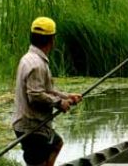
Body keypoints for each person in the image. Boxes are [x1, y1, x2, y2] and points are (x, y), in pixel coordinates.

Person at [12, 17, 82, 166]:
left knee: (56, 144)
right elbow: (35, 95)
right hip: (31, 127)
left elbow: (46, 90)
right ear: (51, 40)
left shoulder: (30, 58)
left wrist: (66, 96)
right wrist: (59, 103)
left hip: (36, 125)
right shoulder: (36, 64)